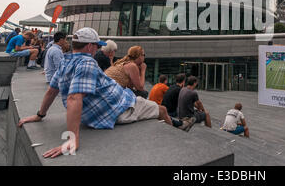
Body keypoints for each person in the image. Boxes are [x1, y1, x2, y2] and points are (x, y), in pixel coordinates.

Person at [17, 27, 172, 159]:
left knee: (141, 99)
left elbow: (52, 90)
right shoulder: (88, 62)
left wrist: (40, 114)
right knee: (162, 110)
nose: (98, 49)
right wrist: (73, 139)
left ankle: (179, 123)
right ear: (90, 46)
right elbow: (74, 98)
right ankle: (173, 143)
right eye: (97, 46)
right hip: (120, 108)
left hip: (116, 101)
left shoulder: (66, 61)